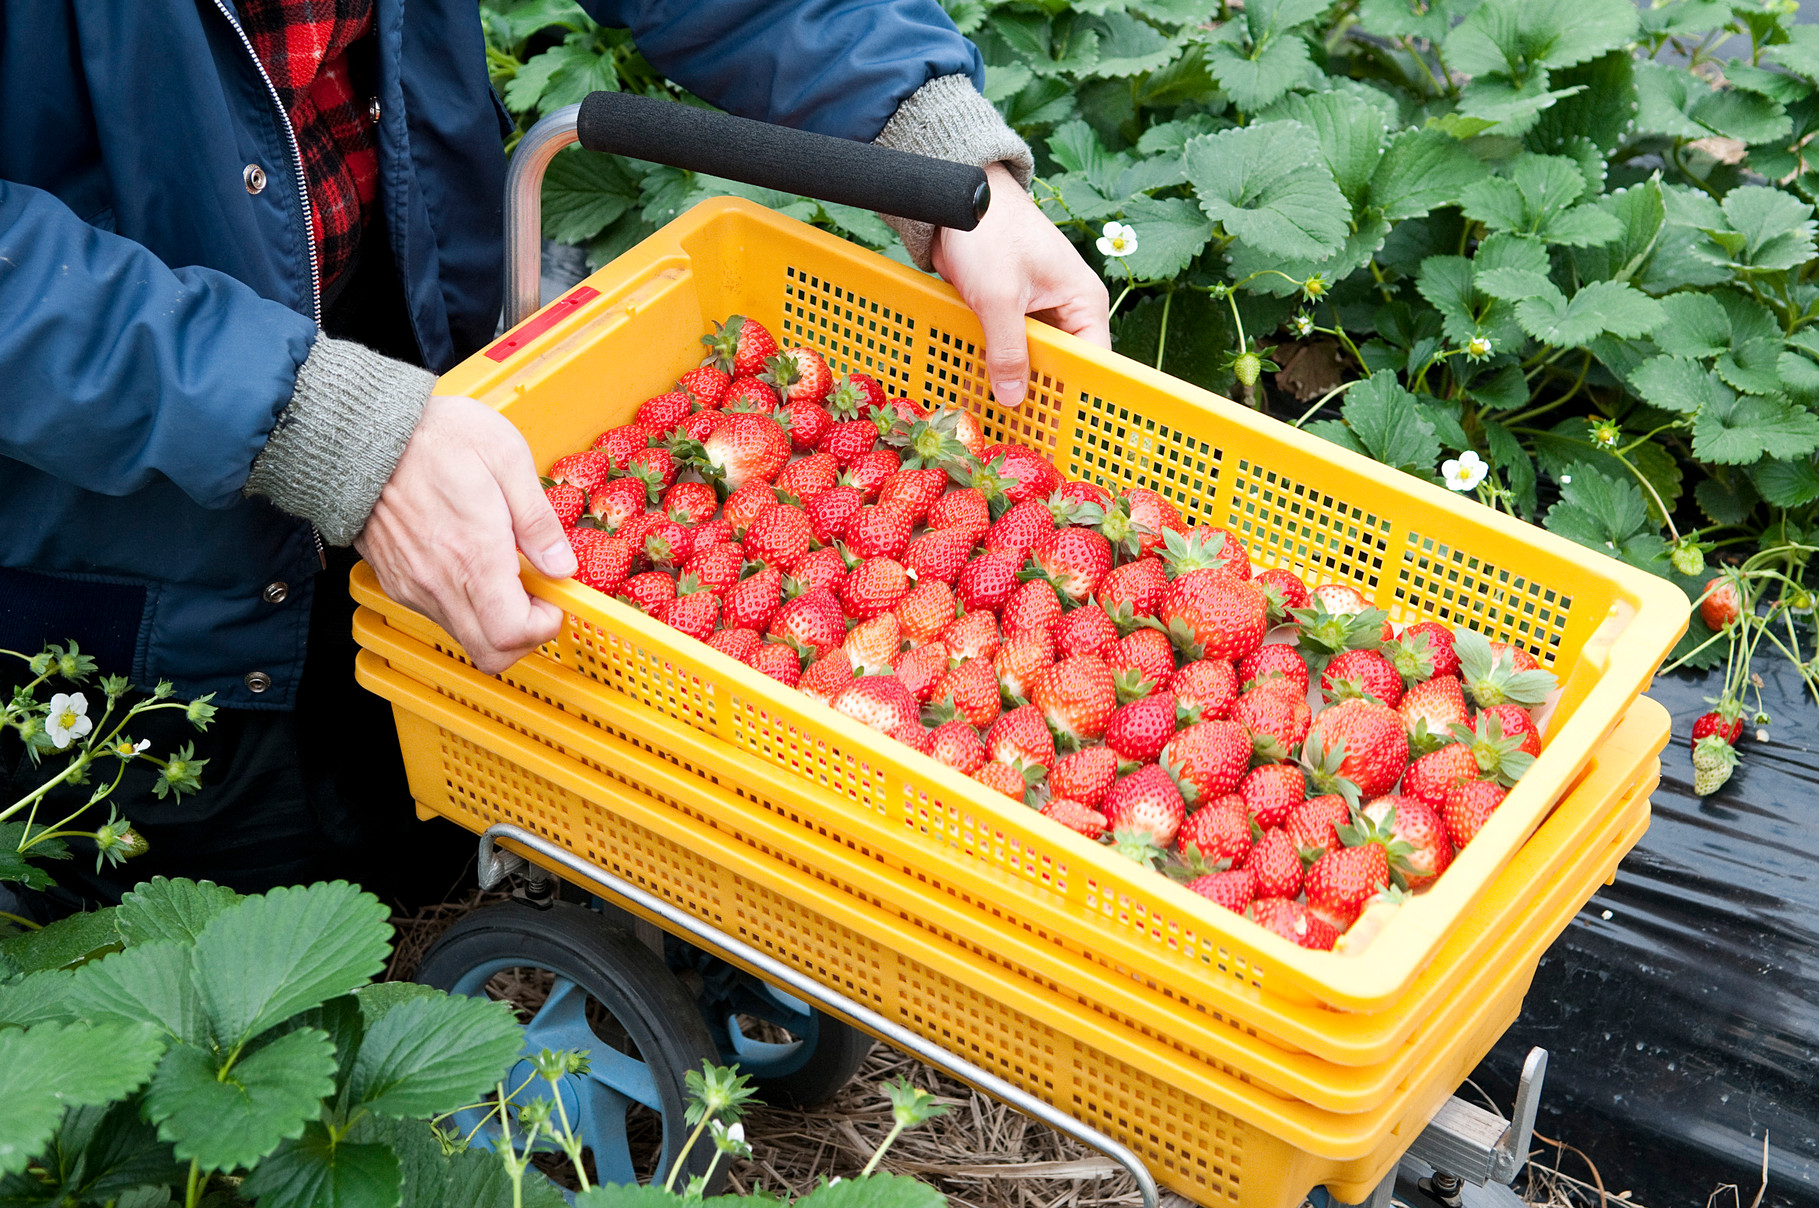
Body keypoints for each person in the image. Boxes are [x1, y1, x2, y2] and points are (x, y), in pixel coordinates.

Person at [0, 1, 1108, 908]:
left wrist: (931, 141)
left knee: (434, 849)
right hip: (115, 535)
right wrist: (309, 416)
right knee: (235, 974)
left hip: (422, 362)